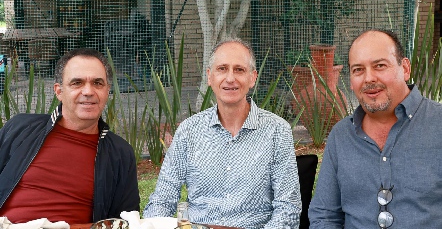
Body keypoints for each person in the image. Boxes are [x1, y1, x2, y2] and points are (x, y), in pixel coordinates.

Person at [143, 38, 301, 228]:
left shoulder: (277, 131)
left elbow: (288, 210)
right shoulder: (188, 131)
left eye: (239, 70)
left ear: (253, 78)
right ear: (210, 77)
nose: (230, 78)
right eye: (222, 69)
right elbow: (161, 200)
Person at [309, 29, 442, 228]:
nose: (368, 78)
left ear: (405, 68)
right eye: (358, 70)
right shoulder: (341, 136)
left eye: (379, 66)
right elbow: (325, 216)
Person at [0, 48, 140, 224]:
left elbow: (125, 222)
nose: (88, 91)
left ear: (107, 91)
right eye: (77, 83)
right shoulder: (22, 128)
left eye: (98, 83)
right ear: (59, 91)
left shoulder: (119, 153)